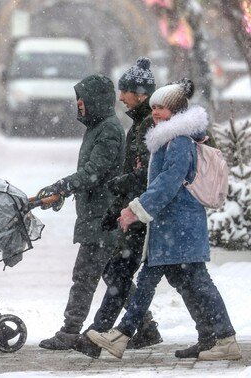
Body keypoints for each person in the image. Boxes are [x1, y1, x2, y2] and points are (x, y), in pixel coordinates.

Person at [86, 79, 242, 361]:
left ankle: (226, 337)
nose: (156, 113)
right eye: (154, 107)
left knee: (197, 283)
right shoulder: (169, 139)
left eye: (162, 108)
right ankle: (122, 336)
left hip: (180, 227)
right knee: (153, 280)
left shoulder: (179, 141)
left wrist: (136, 209)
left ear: (176, 111)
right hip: (169, 227)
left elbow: (168, 183)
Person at [72, 58, 162, 358]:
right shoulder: (138, 125)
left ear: (142, 94)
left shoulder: (149, 126)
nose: (121, 97)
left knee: (122, 273)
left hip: (143, 212)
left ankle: (103, 334)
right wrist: (120, 204)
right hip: (134, 210)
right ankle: (113, 333)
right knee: (119, 273)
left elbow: (149, 172)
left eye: (125, 91)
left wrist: (120, 188)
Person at [36, 74, 126, 350]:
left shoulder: (108, 129)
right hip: (97, 215)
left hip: (102, 217)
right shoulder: (98, 127)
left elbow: (93, 173)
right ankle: (144, 324)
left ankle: (70, 331)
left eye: (82, 99)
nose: (79, 104)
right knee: (114, 277)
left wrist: (62, 187)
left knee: (85, 275)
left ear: (96, 100)